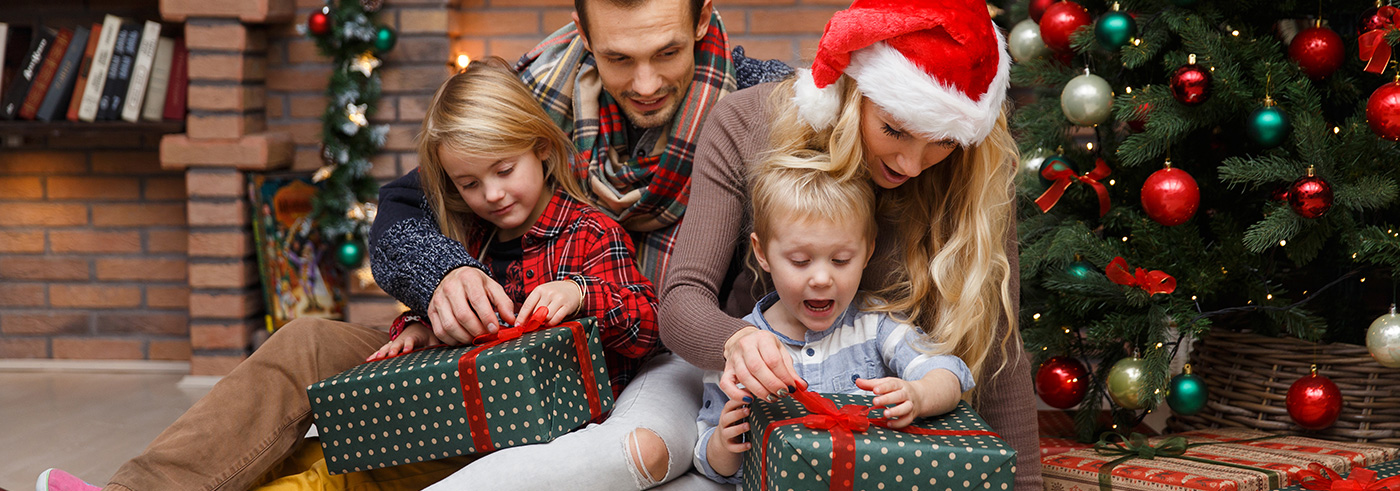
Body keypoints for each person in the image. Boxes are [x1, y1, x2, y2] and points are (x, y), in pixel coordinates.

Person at [657, 0, 1044, 488]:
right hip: (764, 421)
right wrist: (736, 341)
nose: (910, 164)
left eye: (942, 141)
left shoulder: (976, 171)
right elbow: (681, 300)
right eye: (894, 130)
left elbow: (999, 347)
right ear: (851, 87)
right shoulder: (745, 123)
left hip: (898, 444)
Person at [694, 158, 974, 483]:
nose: (822, 278)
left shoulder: (876, 325)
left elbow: (947, 372)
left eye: (841, 260)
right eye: (800, 261)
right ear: (762, 253)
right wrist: (722, 446)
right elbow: (706, 458)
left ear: (868, 252)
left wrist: (919, 394)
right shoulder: (744, 349)